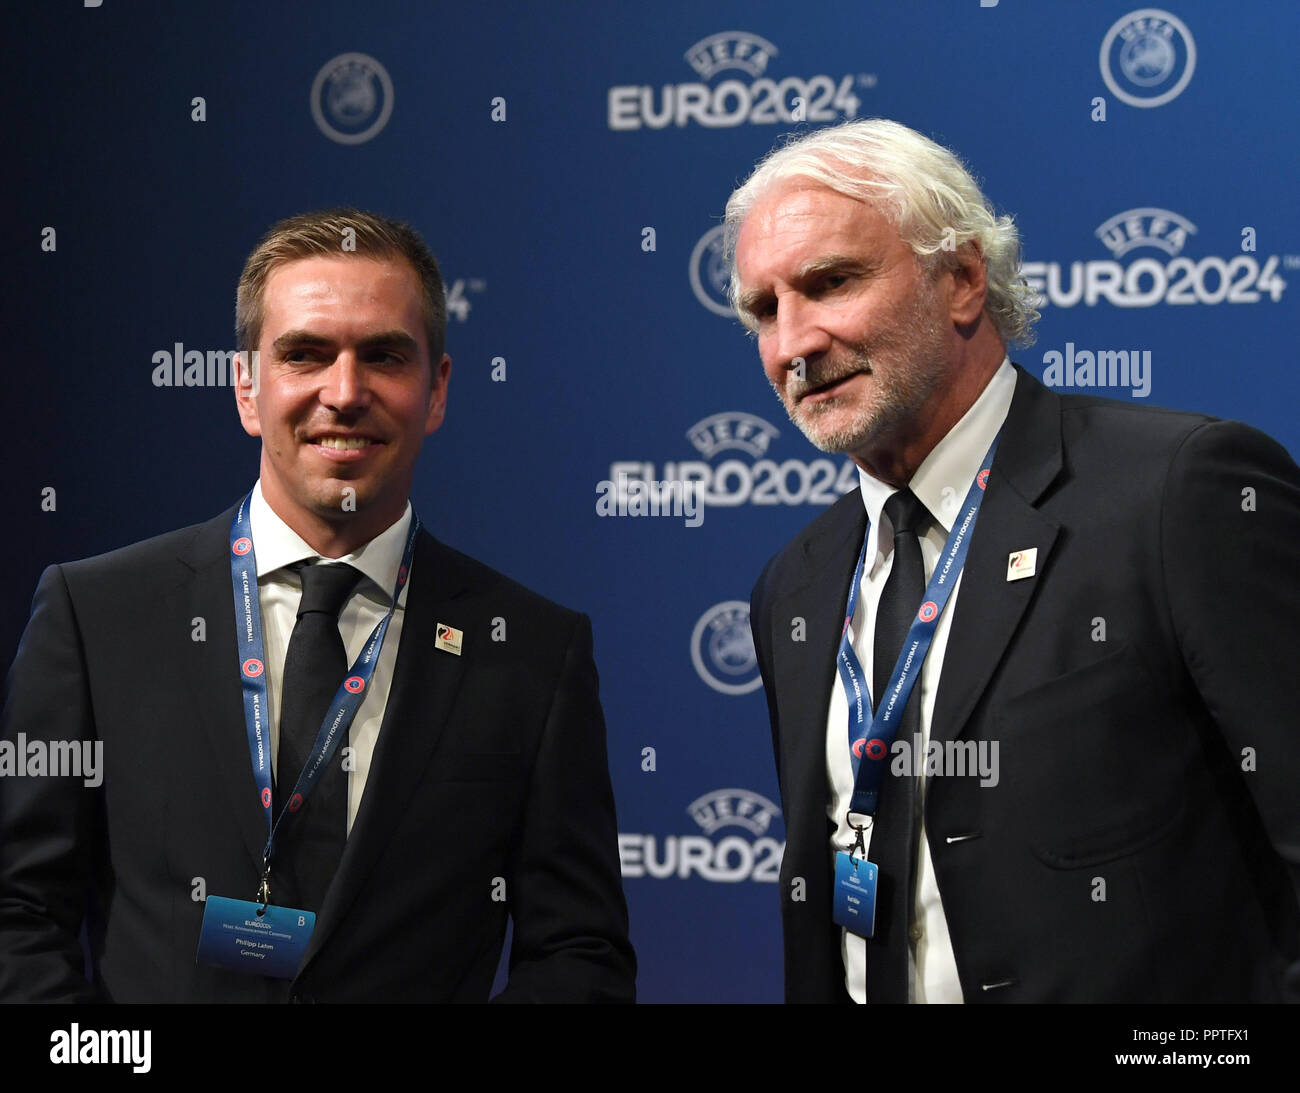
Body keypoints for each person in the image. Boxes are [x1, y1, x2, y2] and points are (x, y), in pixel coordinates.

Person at [728, 119, 1300, 1003]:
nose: (793, 345)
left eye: (830, 283)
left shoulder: (1179, 493)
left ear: (959, 279)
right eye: (764, 310)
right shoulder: (794, 585)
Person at [0, 208, 635, 1003]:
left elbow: (580, 952)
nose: (344, 392)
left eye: (384, 356)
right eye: (304, 354)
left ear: (436, 391)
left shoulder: (534, 651)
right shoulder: (95, 615)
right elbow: (21, 915)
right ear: (247, 387)